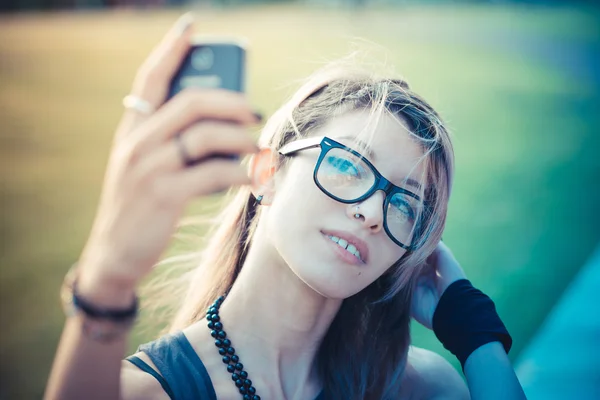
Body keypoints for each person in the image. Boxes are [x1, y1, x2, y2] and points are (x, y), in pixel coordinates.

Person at [45, 13, 526, 400]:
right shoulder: (150, 390)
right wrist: (108, 281)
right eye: (350, 165)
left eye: (406, 204)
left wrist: (473, 332)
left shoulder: (419, 387)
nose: (374, 213)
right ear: (266, 172)